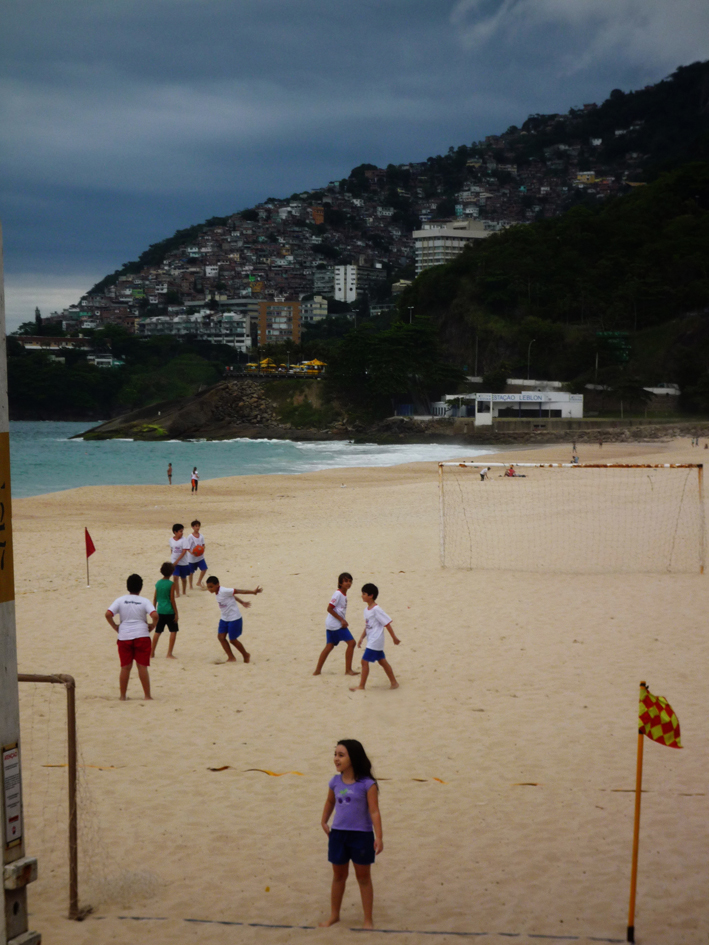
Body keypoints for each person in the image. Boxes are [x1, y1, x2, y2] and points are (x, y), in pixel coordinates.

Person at [319, 740, 382, 930]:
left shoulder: (367, 784)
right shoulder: (335, 781)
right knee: (338, 876)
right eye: (335, 754)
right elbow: (330, 802)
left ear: (353, 758)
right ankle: (334, 915)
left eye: (341, 755)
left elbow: (374, 811)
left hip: (361, 836)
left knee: (363, 878)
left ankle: (368, 920)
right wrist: (324, 820)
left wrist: (379, 837)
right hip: (338, 835)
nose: (336, 759)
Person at [105, 574, 157, 700]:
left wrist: (115, 627)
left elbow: (108, 614)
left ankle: (123, 696)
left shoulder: (120, 600)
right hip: (142, 635)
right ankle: (147, 695)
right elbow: (155, 615)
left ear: (127, 586)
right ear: (141, 587)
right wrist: (152, 626)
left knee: (125, 667)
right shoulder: (144, 601)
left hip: (124, 636)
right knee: (142, 666)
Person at [350, 584, 400, 691]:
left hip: (376, 640)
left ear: (371, 595)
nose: (362, 596)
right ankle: (394, 682)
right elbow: (367, 626)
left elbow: (387, 624)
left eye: (364, 594)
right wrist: (362, 638)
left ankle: (361, 686)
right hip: (372, 640)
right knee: (382, 661)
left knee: (364, 661)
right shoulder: (366, 610)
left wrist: (394, 638)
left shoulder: (377, 609)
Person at [206, 575, 263, 663]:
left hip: (234, 618)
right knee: (221, 637)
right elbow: (232, 596)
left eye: (211, 587)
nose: (209, 589)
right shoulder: (218, 592)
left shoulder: (224, 590)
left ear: (217, 585)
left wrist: (253, 592)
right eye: (208, 587)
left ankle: (246, 654)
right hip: (224, 618)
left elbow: (239, 591)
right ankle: (231, 657)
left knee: (232, 640)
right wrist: (242, 602)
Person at [313, 573, 358, 676]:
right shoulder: (338, 594)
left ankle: (317, 671)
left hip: (331, 624)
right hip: (335, 625)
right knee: (352, 643)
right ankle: (348, 670)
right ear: (340, 583)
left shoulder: (343, 594)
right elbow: (329, 608)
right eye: (345, 581)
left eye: (350, 581)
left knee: (329, 646)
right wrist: (342, 620)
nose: (348, 583)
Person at [152, 562, 179, 659]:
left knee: (158, 631)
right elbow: (172, 599)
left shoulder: (158, 583)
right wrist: (176, 613)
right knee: (173, 631)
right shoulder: (171, 584)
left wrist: (153, 610)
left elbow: (155, 598)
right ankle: (169, 653)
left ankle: (152, 652)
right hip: (169, 611)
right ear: (172, 572)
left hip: (160, 611)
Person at [170, 523, 190, 597]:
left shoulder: (184, 540)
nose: (182, 533)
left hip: (183, 562)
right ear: (175, 532)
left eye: (182, 531)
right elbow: (172, 549)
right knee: (175, 577)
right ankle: (177, 593)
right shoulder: (171, 540)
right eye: (180, 531)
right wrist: (173, 559)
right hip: (174, 562)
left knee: (183, 578)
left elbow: (184, 551)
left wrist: (177, 560)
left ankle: (184, 592)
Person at [187, 519, 208, 590]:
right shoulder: (190, 537)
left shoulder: (201, 536)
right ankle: (190, 585)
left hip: (200, 557)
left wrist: (202, 550)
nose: (197, 527)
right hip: (192, 558)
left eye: (198, 526)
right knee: (191, 572)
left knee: (204, 569)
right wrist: (192, 553)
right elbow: (187, 547)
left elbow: (203, 545)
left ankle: (199, 582)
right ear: (192, 527)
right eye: (196, 526)